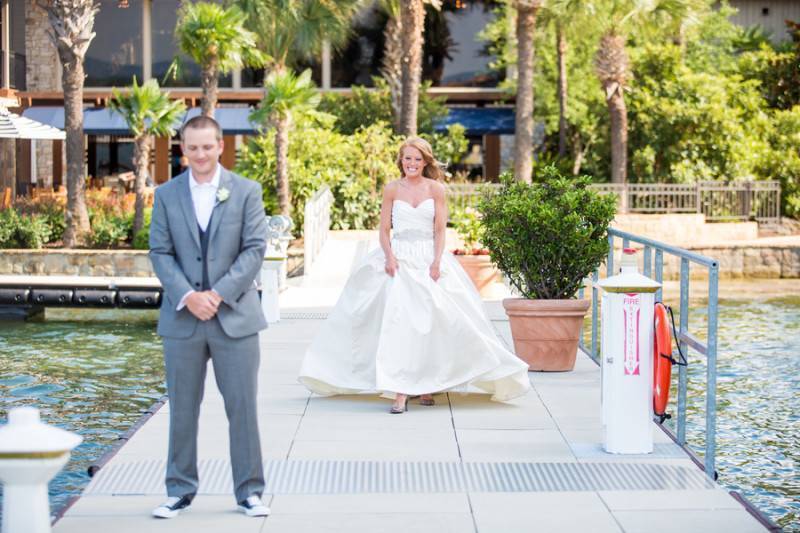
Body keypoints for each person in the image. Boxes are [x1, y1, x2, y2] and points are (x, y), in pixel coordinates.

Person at [298, 137, 531, 413]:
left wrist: (435, 262)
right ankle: (400, 390)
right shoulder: (392, 189)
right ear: (401, 161)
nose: (412, 164)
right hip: (398, 257)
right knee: (401, 325)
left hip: (428, 257)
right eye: (407, 158)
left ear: (425, 162)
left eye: (417, 159)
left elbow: (440, 230)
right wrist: (389, 257)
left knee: (434, 323)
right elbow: (384, 230)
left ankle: (426, 385)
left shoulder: (436, 189)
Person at [148, 116, 270, 518]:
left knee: (243, 408)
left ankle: (250, 491)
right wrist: (187, 295)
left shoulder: (246, 191)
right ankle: (179, 489)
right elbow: (160, 253)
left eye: (207, 147)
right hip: (183, 319)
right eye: (192, 147)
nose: (200, 154)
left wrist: (216, 295)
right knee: (182, 408)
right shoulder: (166, 195)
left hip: (234, 317)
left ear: (220, 146)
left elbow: (254, 249)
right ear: (183, 149)